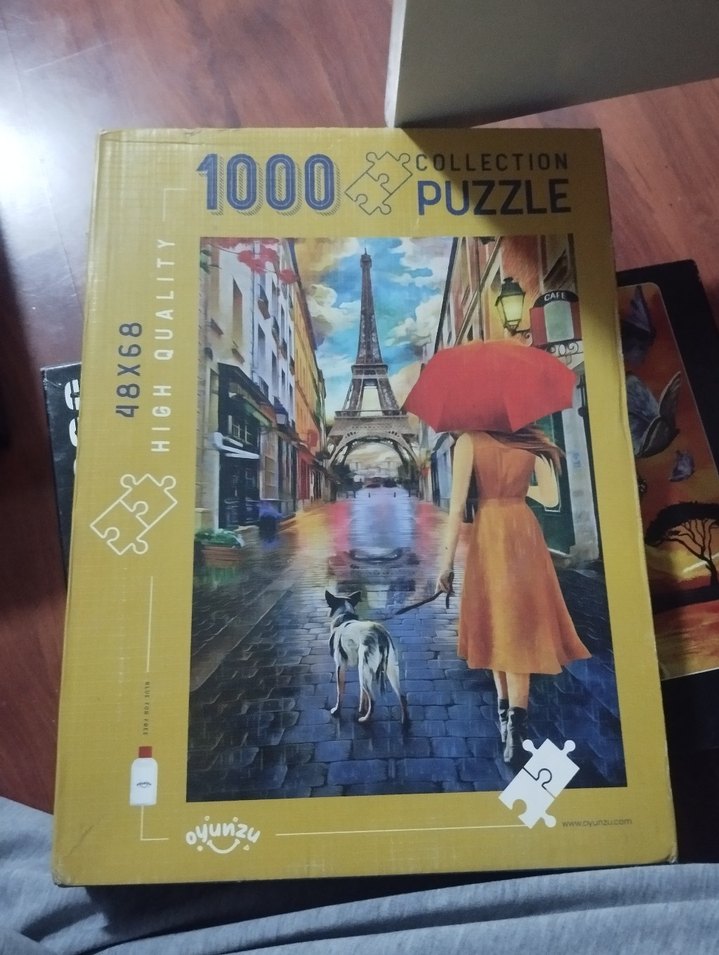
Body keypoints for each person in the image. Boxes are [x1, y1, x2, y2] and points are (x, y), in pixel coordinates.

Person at [435, 426, 590, 766]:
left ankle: (510, 719)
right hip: (524, 531)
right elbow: (550, 499)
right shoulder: (532, 441)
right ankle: (512, 720)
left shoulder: (469, 442)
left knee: (498, 622)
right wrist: (518, 488)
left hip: (490, 534)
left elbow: (456, 508)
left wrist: (445, 565)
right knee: (516, 624)